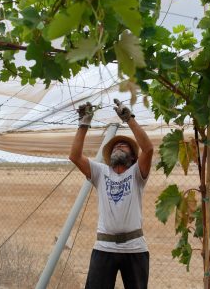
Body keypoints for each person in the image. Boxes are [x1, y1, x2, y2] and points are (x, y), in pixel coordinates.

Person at [69, 99, 154, 289]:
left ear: (133, 157)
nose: (118, 147)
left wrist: (129, 119)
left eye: (123, 146)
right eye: (116, 146)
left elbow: (148, 149)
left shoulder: (136, 174)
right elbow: (74, 156)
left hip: (134, 247)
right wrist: (83, 124)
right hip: (104, 247)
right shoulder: (101, 173)